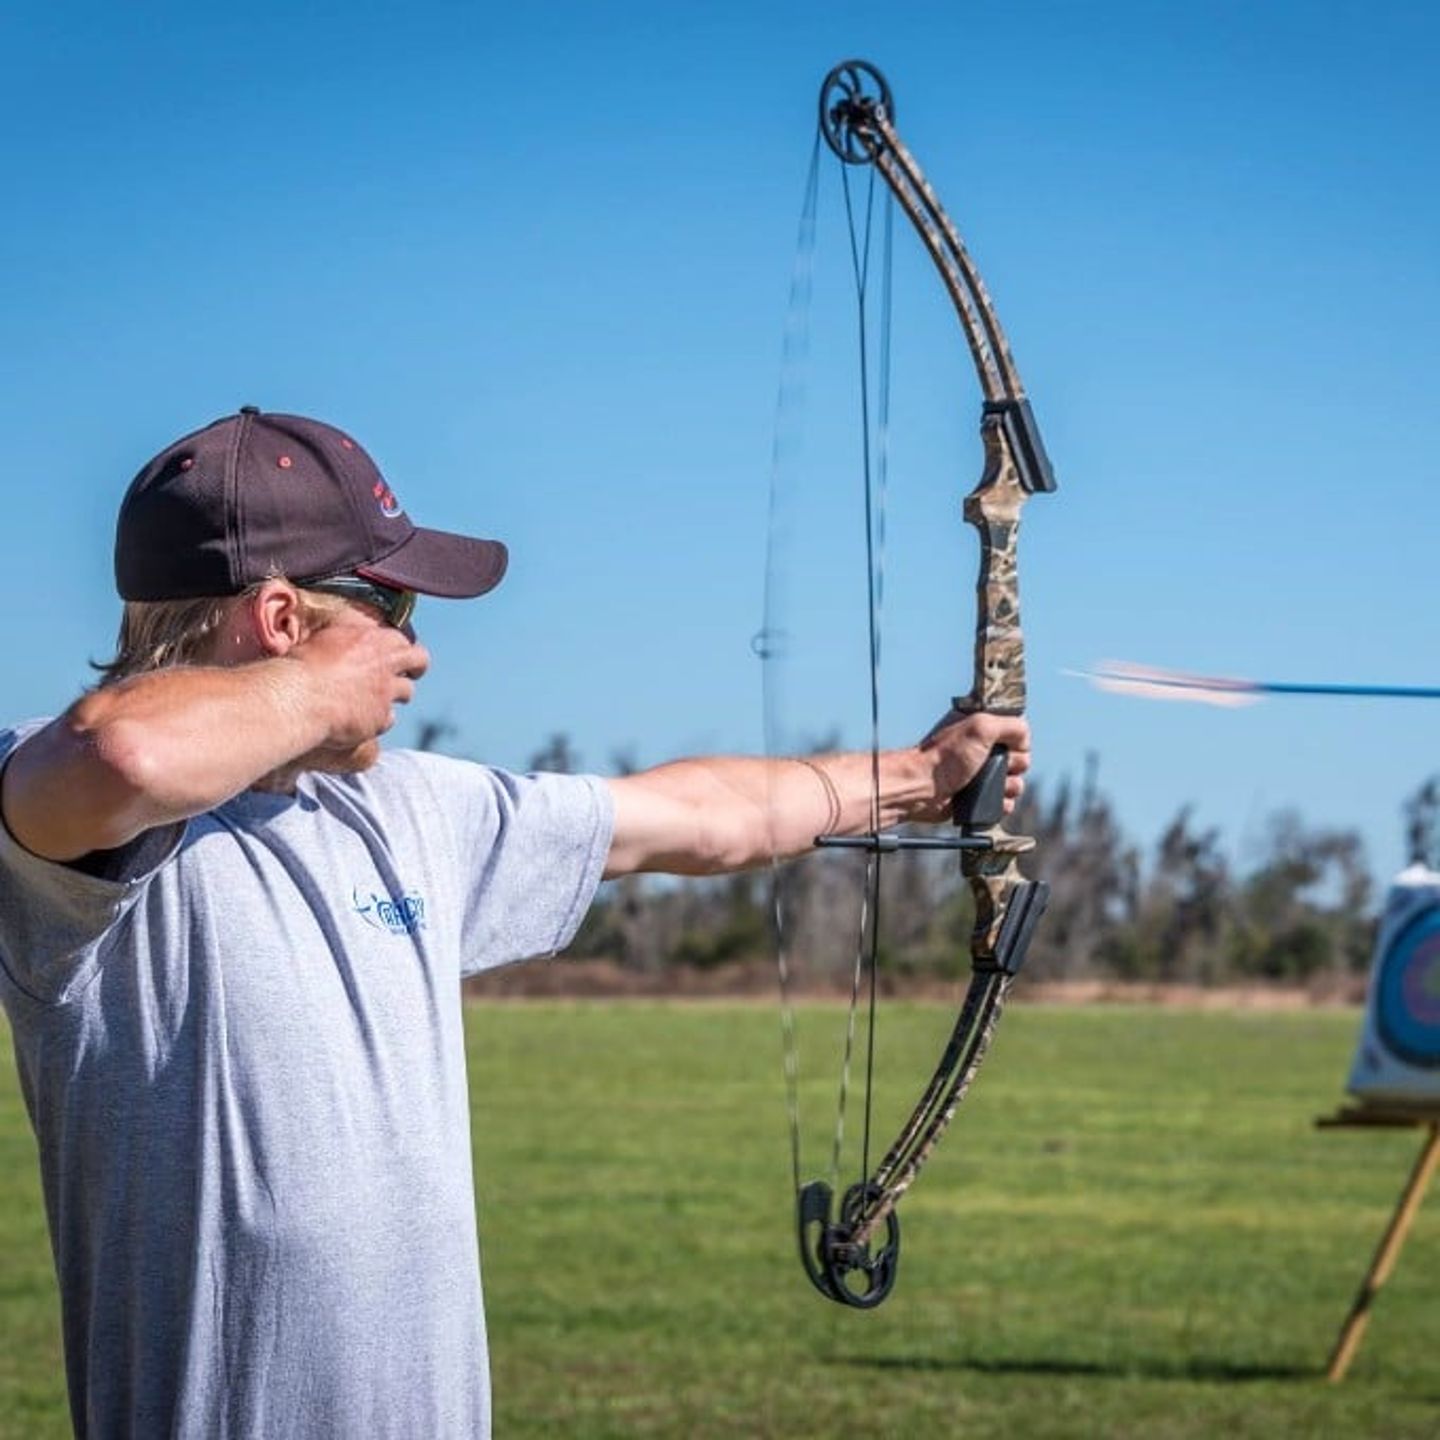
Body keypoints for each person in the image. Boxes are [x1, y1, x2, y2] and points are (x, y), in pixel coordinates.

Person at [0, 407, 1031, 1438]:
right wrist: (320, 688)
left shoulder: (400, 807)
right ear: (281, 622)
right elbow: (118, 757)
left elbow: (697, 819)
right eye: (392, 606)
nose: (416, 650)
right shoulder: (81, 831)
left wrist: (919, 778)